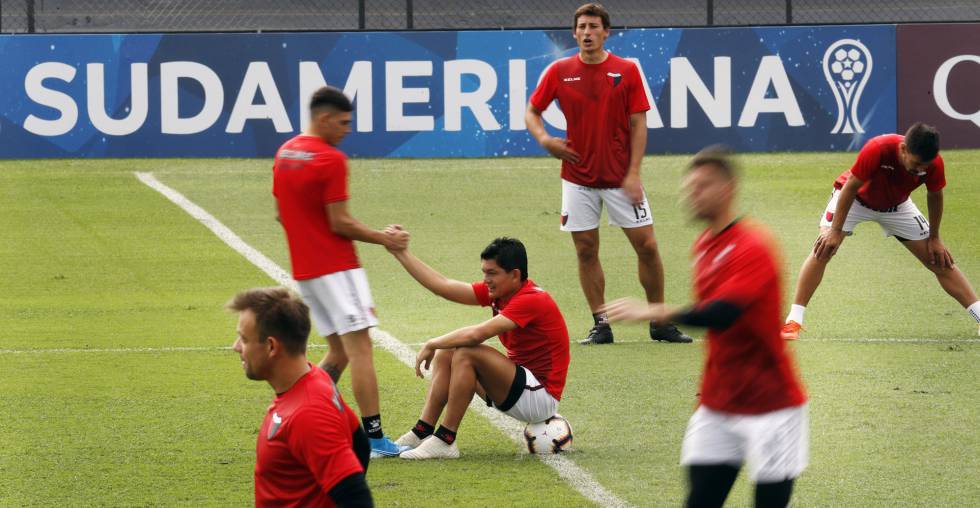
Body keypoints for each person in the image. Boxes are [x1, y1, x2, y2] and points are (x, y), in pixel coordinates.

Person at [604, 148, 808, 508]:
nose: (690, 194)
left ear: (727, 188)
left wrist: (653, 310)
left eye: (701, 186)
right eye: (689, 186)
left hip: (772, 406)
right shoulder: (703, 245)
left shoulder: (753, 246)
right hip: (718, 404)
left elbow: (723, 313)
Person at [525, 2, 691, 345]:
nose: (587, 33)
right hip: (577, 179)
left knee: (647, 246)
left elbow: (638, 124)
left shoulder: (626, 70)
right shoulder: (560, 71)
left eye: (594, 27)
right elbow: (532, 110)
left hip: (620, 178)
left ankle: (659, 321)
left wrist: (633, 173)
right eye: (582, 27)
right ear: (574, 33)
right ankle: (601, 324)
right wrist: (544, 139)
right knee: (586, 250)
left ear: (606, 32)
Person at [272, 85, 410, 457]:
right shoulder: (330, 159)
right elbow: (340, 222)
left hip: (306, 272)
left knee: (338, 353)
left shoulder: (285, 153)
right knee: (361, 350)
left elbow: (280, 213)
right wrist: (385, 238)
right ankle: (376, 438)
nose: (347, 130)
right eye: (343, 122)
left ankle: (296, 416)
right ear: (324, 118)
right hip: (336, 268)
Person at [781, 123, 980, 340]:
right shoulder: (878, 148)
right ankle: (793, 321)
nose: (920, 170)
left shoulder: (933, 164)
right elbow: (850, 187)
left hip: (898, 206)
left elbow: (935, 195)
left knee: (939, 260)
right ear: (903, 149)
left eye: (925, 166)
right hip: (855, 200)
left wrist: (935, 237)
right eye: (916, 164)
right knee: (824, 248)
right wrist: (835, 230)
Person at [384, 235, 570, 460]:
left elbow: (477, 335)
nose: (486, 279)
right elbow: (443, 286)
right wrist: (401, 253)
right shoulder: (500, 293)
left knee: (466, 350)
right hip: (515, 386)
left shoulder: (531, 299)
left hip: (540, 398)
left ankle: (446, 440)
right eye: (484, 272)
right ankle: (422, 432)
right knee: (448, 350)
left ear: (515, 275)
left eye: (492, 273)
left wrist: (432, 342)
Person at [228, 287, 374, 508]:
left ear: (271, 346)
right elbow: (360, 444)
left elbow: (356, 498)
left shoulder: (308, 412)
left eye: (244, 339)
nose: (236, 347)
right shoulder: (316, 378)